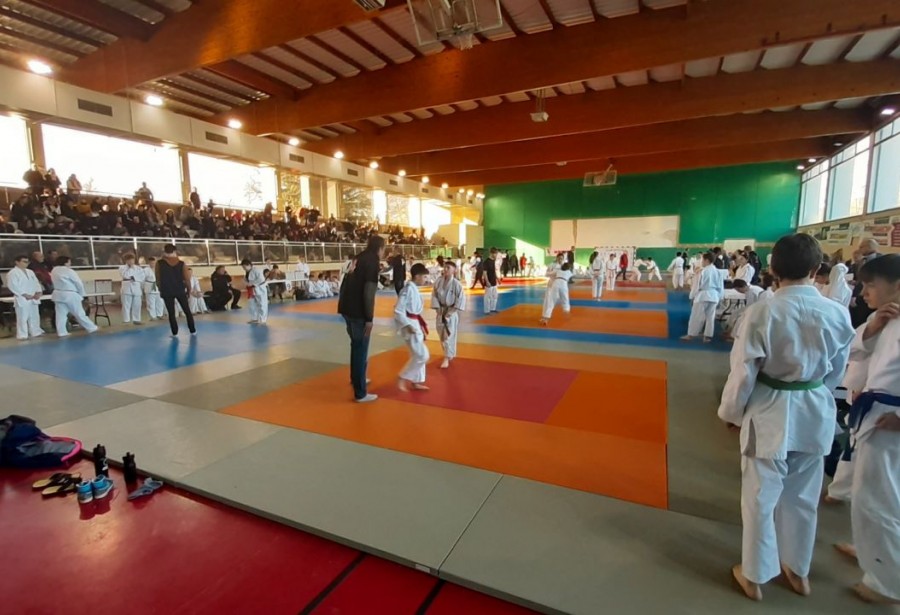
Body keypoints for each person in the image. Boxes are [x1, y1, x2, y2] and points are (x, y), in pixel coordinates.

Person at [718, 233, 854, 602]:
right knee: (803, 497)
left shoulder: (763, 310)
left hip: (770, 410)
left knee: (760, 497)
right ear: (815, 269)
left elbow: (744, 370)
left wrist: (732, 412)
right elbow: (837, 370)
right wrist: (816, 391)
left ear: (773, 270)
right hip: (814, 408)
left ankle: (755, 575)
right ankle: (798, 569)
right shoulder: (837, 312)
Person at [836, 254, 900, 604]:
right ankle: (869, 549)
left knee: (879, 499)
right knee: (870, 494)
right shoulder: (886, 318)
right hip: (876, 414)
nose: (862, 293)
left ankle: (887, 584)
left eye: (871, 286)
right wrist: (872, 328)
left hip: (892, 424)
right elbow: (859, 350)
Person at [338, 235, 384, 403]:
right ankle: (360, 392)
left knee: (356, 345)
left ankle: (357, 378)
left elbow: (344, 283)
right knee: (360, 348)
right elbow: (369, 293)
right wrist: (369, 318)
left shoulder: (358, 258)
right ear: (380, 248)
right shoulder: (372, 262)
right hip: (358, 312)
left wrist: (342, 306)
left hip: (347, 309)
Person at [395, 263, 431, 392]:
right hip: (410, 324)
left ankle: (416, 381)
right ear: (417, 276)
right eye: (424, 277)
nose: (426, 279)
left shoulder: (414, 288)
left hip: (415, 323)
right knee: (422, 355)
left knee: (416, 354)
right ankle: (402, 377)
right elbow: (398, 310)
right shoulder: (408, 289)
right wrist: (408, 325)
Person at [50, 256, 97, 337]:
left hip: (58, 294)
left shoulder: (54, 270)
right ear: (66, 262)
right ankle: (91, 327)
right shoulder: (69, 271)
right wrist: (82, 294)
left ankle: (61, 332)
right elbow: (78, 283)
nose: (70, 263)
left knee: (60, 314)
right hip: (70, 294)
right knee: (79, 313)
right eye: (69, 262)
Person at [432, 260, 466, 369]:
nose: (445, 270)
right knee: (441, 335)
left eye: (448, 268)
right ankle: (449, 353)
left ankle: (446, 357)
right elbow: (434, 295)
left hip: (451, 312)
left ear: (454, 271)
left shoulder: (457, 284)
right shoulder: (438, 281)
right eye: (445, 267)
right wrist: (438, 309)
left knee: (448, 336)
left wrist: (449, 313)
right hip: (440, 311)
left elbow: (460, 300)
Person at [156, 244, 195, 336]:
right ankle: (192, 330)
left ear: (164, 251)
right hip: (180, 289)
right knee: (187, 311)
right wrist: (189, 290)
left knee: (171, 313)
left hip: (167, 290)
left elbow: (158, 278)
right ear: (175, 251)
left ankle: (175, 332)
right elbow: (187, 279)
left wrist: (161, 289)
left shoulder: (159, 263)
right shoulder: (181, 263)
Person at [681, 252, 718, 343]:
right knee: (710, 317)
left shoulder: (703, 271)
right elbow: (720, 285)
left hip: (703, 295)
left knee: (696, 316)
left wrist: (692, 296)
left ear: (706, 260)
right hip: (714, 295)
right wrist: (719, 296)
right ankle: (707, 336)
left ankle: (690, 335)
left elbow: (696, 285)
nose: (701, 262)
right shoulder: (717, 270)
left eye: (702, 259)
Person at [7, 254, 43, 341]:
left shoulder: (30, 272)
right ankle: (22, 335)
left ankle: (35, 332)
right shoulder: (12, 273)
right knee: (22, 317)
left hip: (33, 297)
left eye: (27, 262)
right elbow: (12, 285)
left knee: (35, 316)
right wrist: (24, 294)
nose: (26, 263)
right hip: (22, 298)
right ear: (17, 262)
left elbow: (36, 282)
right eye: (24, 261)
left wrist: (39, 292)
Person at [850, 238, 881, 327]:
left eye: (862, 247)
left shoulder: (881, 261)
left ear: (870, 247)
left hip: (871, 299)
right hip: (859, 297)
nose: (859, 249)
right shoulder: (862, 261)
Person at [540, 262, 573, 326]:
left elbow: (548, 274)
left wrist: (548, 271)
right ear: (568, 268)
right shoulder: (569, 272)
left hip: (556, 284)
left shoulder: (558, 271)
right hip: (563, 284)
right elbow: (572, 274)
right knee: (565, 299)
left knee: (551, 301)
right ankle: (566, 310)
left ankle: (546, 318)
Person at [119, 254, 145, 325]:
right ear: (126, 260)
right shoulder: (122, 267)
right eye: (129, 260)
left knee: (137, 304)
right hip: (126, 288)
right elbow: (125, 275)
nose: (131, 261)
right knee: (126, 305)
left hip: (136, 287)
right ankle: (126, 320)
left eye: (132, 259)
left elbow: (142, 277)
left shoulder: (139, 268)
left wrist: (134, 278)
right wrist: (130, 268)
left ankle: (136, 319)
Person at [241, 259, 268, 324]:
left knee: (262, 304)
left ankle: (262, 319)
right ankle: (254, 318)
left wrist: (252, 284)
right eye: (243, 268)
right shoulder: (247, 272)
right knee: (252, 304)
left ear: (249, 265)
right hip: (251, 290)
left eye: (244, 267)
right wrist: (245, 282)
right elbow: (246, 279)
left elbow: (261, 279)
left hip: (259, 289)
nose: (244, 269)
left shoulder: (257, 270)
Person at [142, 257, 165, 321]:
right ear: (149, 263)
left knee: (160, 301)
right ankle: (152, 316)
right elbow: (142, 279)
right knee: (151, 302)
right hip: (149, 286)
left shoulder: (159, 269)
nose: (153, 264)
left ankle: (159, 315)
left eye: (154, 263)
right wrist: (143, 287)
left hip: (158, 286)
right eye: (151, 263)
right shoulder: (145, 270)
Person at [482, 248, 499, 314]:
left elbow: (493, 271)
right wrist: (487, 281)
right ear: (491, 253)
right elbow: (484, 273)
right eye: (495, 254)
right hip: (489, 281)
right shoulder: (486, 262)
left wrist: (497, 278)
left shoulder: (493, 261)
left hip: (494, 281)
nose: (496, 255)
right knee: (487, 296)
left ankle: (493, 308)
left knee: (495, 296)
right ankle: (486, 311)